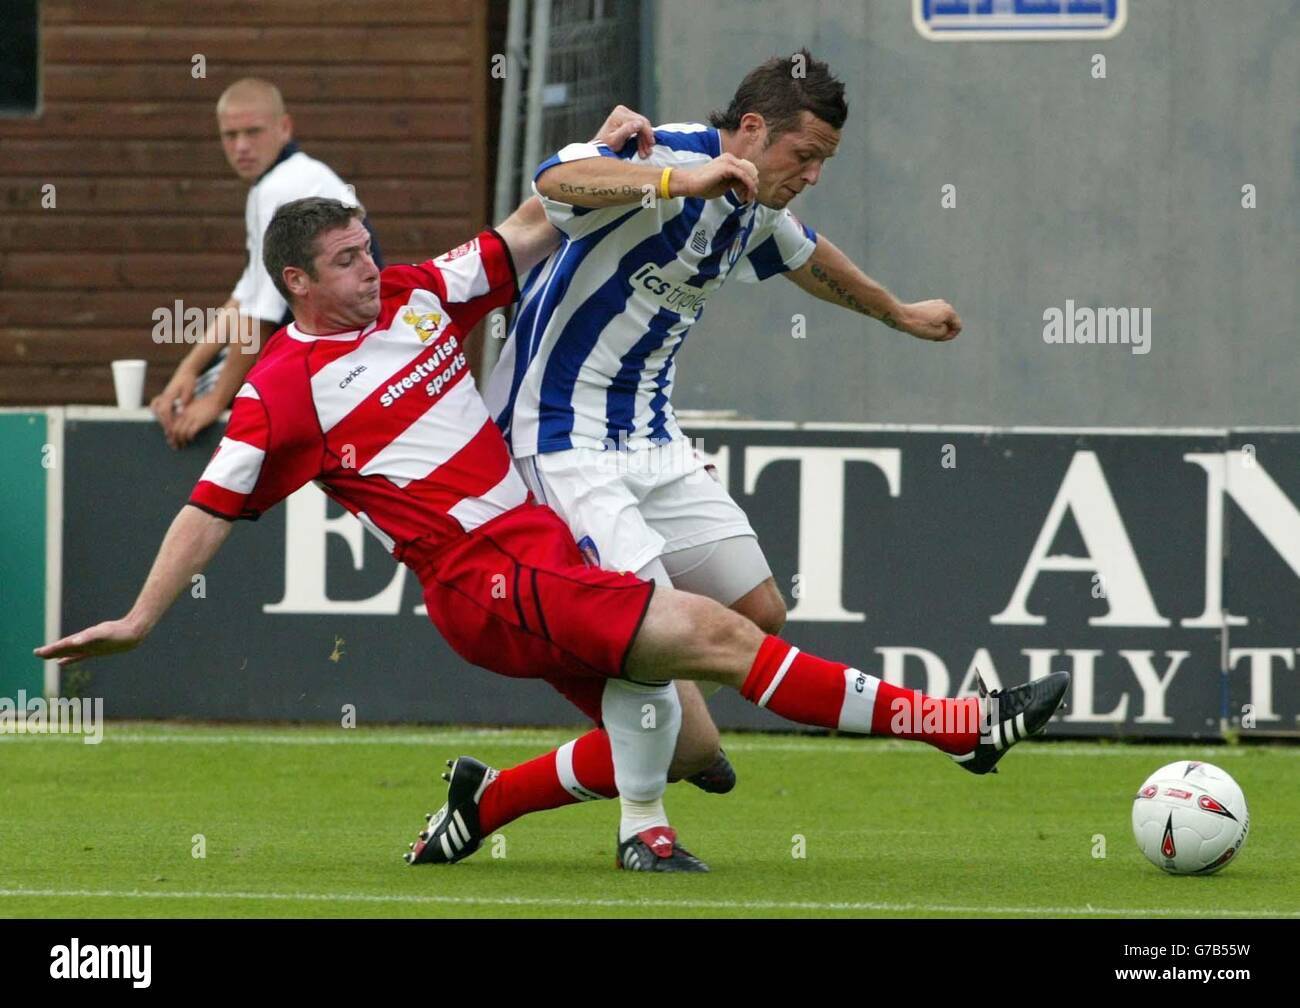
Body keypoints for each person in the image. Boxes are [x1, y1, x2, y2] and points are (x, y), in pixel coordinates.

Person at [37, 196, 1069, 873]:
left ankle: (486, 804)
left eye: (369, 248)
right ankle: (961, 729)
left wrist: (622, 155)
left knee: (691, 741)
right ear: (299, 284)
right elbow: (208, 508)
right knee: (716, 637)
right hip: (481, 580)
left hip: (538, 551)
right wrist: (136, 618)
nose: (370, 264)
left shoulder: (414, 296)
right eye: (347, 260)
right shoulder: (282, 391)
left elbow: (533, 222)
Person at [478, 51, 963, 852]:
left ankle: (631, 740)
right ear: (748, 129)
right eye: (804, 155)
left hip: (651, 439)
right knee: (648, 638)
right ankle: (644, 829)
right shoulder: (662, 152)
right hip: (559, 436)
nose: (810, 175)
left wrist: (899, 314)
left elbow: (807, 256)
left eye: (823, 162)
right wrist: (680, 182)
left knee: (758, 614)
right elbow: (556, 186)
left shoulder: (753, 204)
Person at [149, 78, 382, 449]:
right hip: (345, 352)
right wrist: (189, 368)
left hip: (341, 364)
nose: (241, 146)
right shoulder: (285, 179)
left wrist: (215, 400)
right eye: (230, 135)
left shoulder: (279, 188)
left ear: (284, 128)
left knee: (180, 408)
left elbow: (259, 319)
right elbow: (247, 294)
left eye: (253, 132)